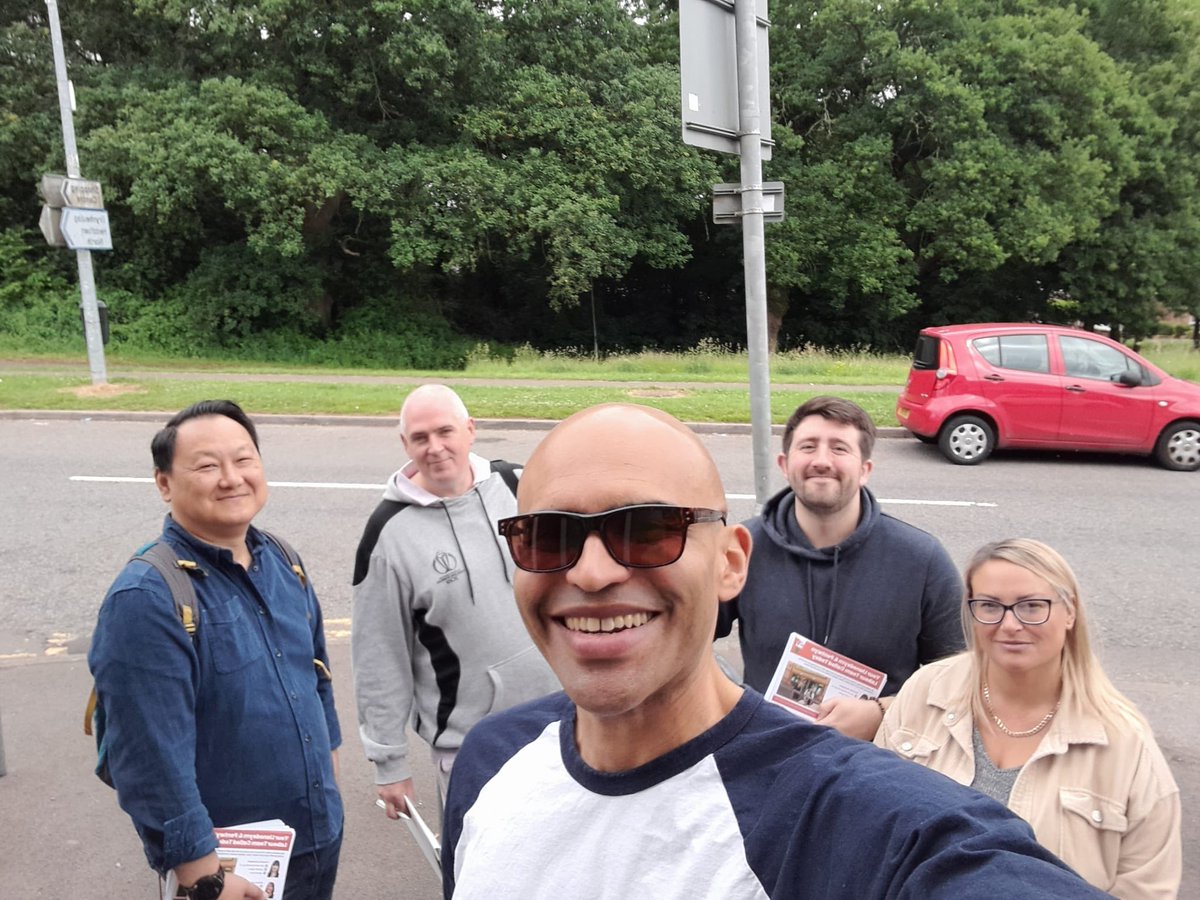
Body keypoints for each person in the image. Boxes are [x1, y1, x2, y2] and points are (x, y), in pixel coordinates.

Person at [442, 403, 1108, 898]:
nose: (589, 574)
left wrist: (883, 718)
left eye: (647, 530)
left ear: (732, 564)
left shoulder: (855, 824)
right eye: (547, 537)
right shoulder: (488, 761)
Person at [89, 400, 342, 900]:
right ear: (164, 483)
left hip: (313, 837)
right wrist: (203, 874)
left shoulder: (283, 560)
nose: (232, 478)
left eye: (244, 460)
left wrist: (328, 768)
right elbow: (147, 754)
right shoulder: (146, 596)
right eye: (207, 465)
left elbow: (316, 674)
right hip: (228, 869)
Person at [876, 538, 1181, 897]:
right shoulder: (926, 691)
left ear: (1070, 612)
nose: (1009, 625)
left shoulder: (1123, 741)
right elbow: (876, 823)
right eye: (989, 606)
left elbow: (1148, 887)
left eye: (1032, 606)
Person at [351, 384, 558, 820]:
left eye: (445, 432)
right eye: (420, 438)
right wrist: (389, 764)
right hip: (473, 747)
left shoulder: (521, 485)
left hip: (567, 721)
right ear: (404, 444)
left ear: (470, 430)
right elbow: (379, 655)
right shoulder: (388, 535)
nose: (436, 447)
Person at [716, 395, 964, 739]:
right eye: (808, 446)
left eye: (839, 449)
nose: (821, 460)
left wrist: (882, 713)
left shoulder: (921, 559)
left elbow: (962, 680)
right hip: (767, 755)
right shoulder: (742, 547)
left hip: (879, 760)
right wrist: (732, 706)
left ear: (865, 470)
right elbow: (681, 640)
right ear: (785, 464)